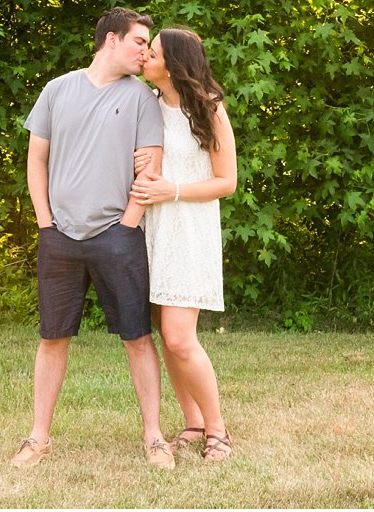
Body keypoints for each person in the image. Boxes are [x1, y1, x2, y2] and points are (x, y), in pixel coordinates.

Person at [11, 7, 176, 470]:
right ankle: (38, 439)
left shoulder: (143, 99)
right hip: (59, 236)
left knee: (138, 337)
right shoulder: (56, 90)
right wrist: (45, 222)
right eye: (139, 42)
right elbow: (36, 160)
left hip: (117, 236)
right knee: (52, 337)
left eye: (148, 44)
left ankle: (155, 438)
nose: (146, 51)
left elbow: (152, 169)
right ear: (111, 41)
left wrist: (128, 223)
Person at [129, 26, 238, 462]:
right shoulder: (147, 106)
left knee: (178, 336)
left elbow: (226, 182)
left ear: (173, 66)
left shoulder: (209, 109)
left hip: (189, 228)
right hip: (152, 228)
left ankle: (218, 431)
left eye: (151, 52)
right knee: (165, 330)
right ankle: (192, 421)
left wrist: (171, 190)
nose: (143, 58)